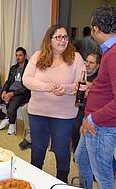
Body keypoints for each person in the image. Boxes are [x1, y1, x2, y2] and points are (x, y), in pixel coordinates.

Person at [22, 24, 85, 183]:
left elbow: (81, 84)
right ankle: (35, 180)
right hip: (38, 112)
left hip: (64, 115)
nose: (63, 40)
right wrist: (46, 87)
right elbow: (26, 80)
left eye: (65, 37)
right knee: (38, 148)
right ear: (49, 40)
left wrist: (66, 89)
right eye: (58, 37)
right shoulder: (38, 56)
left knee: (61, 149)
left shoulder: (76, 58)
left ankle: (61, 181)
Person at [74, 6, 116, 189]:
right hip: (93, 121)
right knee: (81, 158)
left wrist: (92, 118)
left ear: (96, 28)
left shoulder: (113, 54)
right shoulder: (109, 51)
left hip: (100, 125)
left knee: (103, 175)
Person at [0, 47, 30, 134]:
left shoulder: (29, 68)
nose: (18, 57)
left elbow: (27, 87)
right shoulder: (13, 68)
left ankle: (12, 125)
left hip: (22, 93)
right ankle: (5, 118)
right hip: (9, 91)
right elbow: (8, 81)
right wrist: (4, 91)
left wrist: (12, 93)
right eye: (16, 55)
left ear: (25, 56)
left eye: (20, 55)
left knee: (12, 107)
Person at [72, 51, 101, 153]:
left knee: (77, 127)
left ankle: (77, 153)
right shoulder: (80, 73)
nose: (87, 64)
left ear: (98, 66)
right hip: (74, 105)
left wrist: (90, 87)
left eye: (91, 63)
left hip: (89, 110)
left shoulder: (99, 78)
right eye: (86, 61)